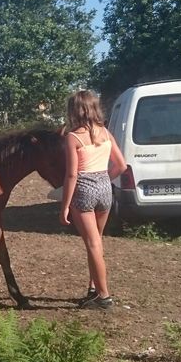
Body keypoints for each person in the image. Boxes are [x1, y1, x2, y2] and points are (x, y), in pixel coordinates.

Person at [60, 89, 127, 309]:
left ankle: (104, 296)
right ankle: (94, 289)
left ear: (75, 111)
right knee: (97, 241)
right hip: (105, 188)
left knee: (92, 243)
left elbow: (71, 175)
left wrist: (65, 206)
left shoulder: (73, 137)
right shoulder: (105, 133)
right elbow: (122, 166)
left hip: (84, 190)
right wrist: (106, 179)